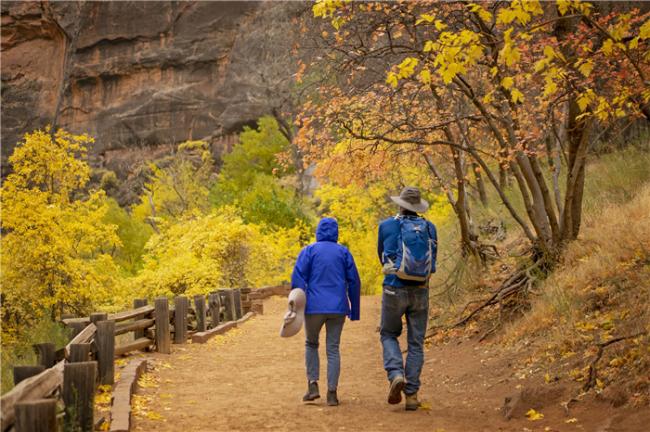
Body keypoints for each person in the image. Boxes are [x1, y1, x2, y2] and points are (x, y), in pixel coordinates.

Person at [377, 186, 437, 411]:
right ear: (417, 206)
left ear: (400, 204)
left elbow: (381, 255)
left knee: (388, 333)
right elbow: (434, 262)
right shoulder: (430, 228)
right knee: (415, 343)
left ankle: (395, 374)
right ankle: (412, 395)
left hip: (394, 288)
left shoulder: (386, 225)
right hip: (421, 289)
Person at [291, 217, 361, 406]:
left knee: (311, 343)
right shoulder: (343, 252)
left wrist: (297, 304)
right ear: (336, 232)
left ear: (318, 231)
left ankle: (313, 385)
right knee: (333, 349)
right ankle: (332, 393)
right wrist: (354, 310)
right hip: (338, 308)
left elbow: (297, 277)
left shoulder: (309, 251)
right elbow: (354, 281)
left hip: (313, 307)